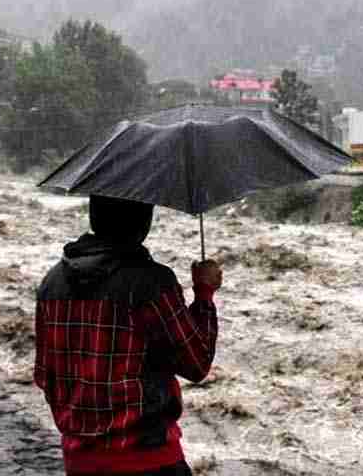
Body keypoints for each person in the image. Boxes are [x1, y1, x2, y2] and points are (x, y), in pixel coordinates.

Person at [35, 195, 222, 476]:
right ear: (144, 221)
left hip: (79, 462)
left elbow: (43, 376)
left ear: (93, 216)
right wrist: (204, 295)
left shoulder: (52, 283)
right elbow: (197, 363)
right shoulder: (151, 283)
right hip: (148, 460)